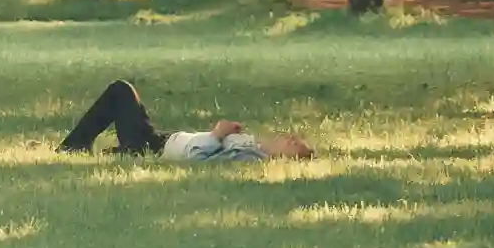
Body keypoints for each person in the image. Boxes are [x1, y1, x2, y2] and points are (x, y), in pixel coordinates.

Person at [57, 80, 314, 162]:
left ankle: (71, 148)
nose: (290, 137)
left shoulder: (247, 155)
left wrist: (217, 134)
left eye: (293, 145)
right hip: (163, 140)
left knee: (121, 91)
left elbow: (197, 156)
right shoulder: (253, 147)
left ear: (284, 158)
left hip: (157, 148)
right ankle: (84, 149)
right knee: (122, 99)